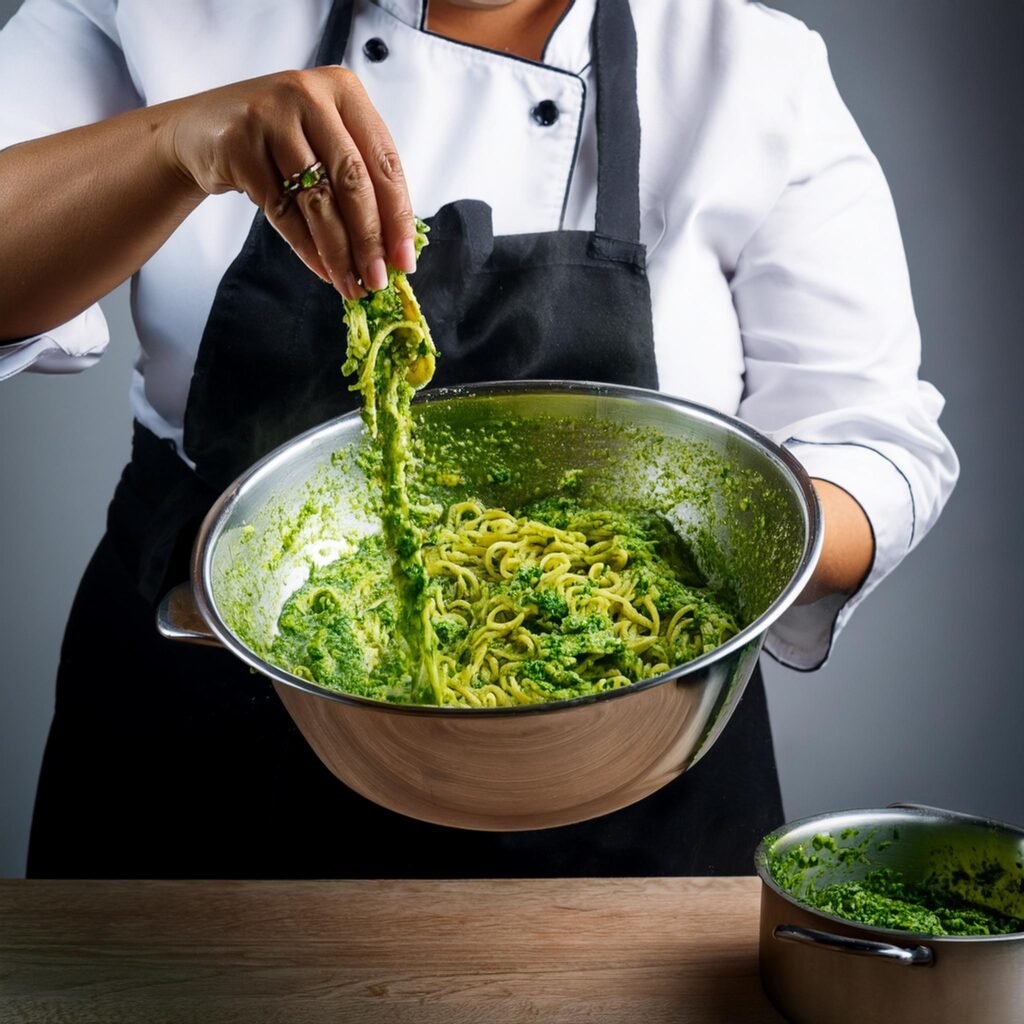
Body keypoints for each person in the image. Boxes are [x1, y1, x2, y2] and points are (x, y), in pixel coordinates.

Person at [0, 0, 957, 878]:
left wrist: (680, 547)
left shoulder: (749, 64)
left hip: (628, 764)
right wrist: (175, 146)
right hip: (206, 728)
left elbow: (872, 441)